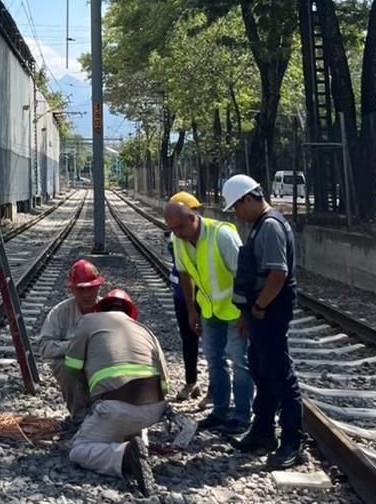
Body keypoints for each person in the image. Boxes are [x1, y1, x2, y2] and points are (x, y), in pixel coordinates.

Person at [223, 174, 305, 468]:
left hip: (270, 311)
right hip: (258, 313)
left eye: (236, 206)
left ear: (248, 199)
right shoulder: (260, 224)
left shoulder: (269, 226)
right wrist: (248, 314)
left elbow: (277, 274)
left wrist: (258, 307)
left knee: (281, 374)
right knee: (261, 369)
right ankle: (262, 432)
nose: (236, 213)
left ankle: (293, 442)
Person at [65, 290, 167, 497]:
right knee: (128, 420)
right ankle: (140, 441)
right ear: (130, 313)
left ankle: (124, 456)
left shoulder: (88, 321)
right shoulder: (146, 330)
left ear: (101, 309)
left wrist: (88, 398)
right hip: (153, 410)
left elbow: (72, 367)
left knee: (78, 450)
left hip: (116, 408)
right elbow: (165, 385)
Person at [165, 200, 251, 435]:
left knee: (239, 361)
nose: (177, 234)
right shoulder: (178, 239)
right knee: (214, 360)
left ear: (193, 218)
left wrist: (247, 313)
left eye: (180, 228)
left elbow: (243, 274)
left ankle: (243, 415)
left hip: (234, 311)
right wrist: (192, 309)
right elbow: (184, 274)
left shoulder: (221, 235)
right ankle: (220, 412)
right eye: (172, 229)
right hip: (209, 310)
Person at [39, 258, 106, 423]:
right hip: (73, 367)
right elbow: (44, 347)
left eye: (91, 289)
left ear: (98, 287)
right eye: (81, 290)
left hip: (102, 366)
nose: (87, 294)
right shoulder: (60, 313)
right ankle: (80, 418)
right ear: (72, 290)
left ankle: (107, 415)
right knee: (63, 365)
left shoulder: (109, 309)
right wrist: (76, 346)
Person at [166, 192, 203, 402]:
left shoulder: (206, 235)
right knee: (188, 339)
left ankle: (212, 389)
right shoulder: (177, 237)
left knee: (214, 345)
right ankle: (191, 381)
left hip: (206, 293)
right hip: (183, 294)